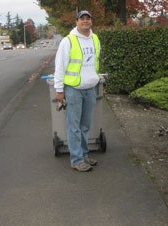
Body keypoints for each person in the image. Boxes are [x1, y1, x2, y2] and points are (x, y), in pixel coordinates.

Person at [54, 10, 101, 172]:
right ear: (77, 22)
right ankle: (77, 159)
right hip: (73, 89)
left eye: (88, 19)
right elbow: (59, 67)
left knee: (85, 126)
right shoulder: (68, 41)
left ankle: (84, 154)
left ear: (91, 22)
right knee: (73, 126)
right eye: (82, 19)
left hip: (90, 89)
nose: (86, 21)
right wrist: (59, 90)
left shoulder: (95, 39)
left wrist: (96, 79)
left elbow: (95, 62)